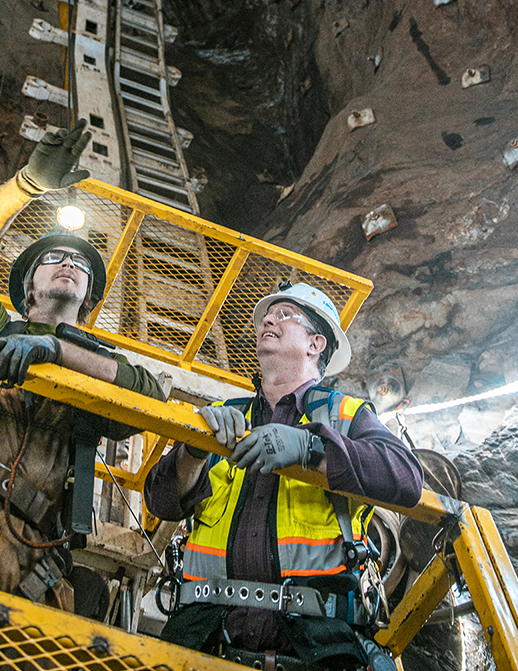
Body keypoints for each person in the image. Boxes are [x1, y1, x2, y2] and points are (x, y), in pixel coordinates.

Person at [0, 119, 166, 617]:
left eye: (79, 263)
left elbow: (149, 401)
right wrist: (25, 187)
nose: (68, 262)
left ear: (90, 300)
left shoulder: (102, 366)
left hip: (42, 557)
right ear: (28, 290)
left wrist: (57, 353)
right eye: (52, 257)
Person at [145, 281, 423, 670]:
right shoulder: (224, 414)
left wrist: (310, 449)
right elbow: (161, 501)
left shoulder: (345, 415)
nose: (268, 320)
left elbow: (406, 479)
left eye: (285, 315)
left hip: (318, 648)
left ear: (315, 345)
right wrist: (194, 449)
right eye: (265, 317)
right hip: (203, 640)